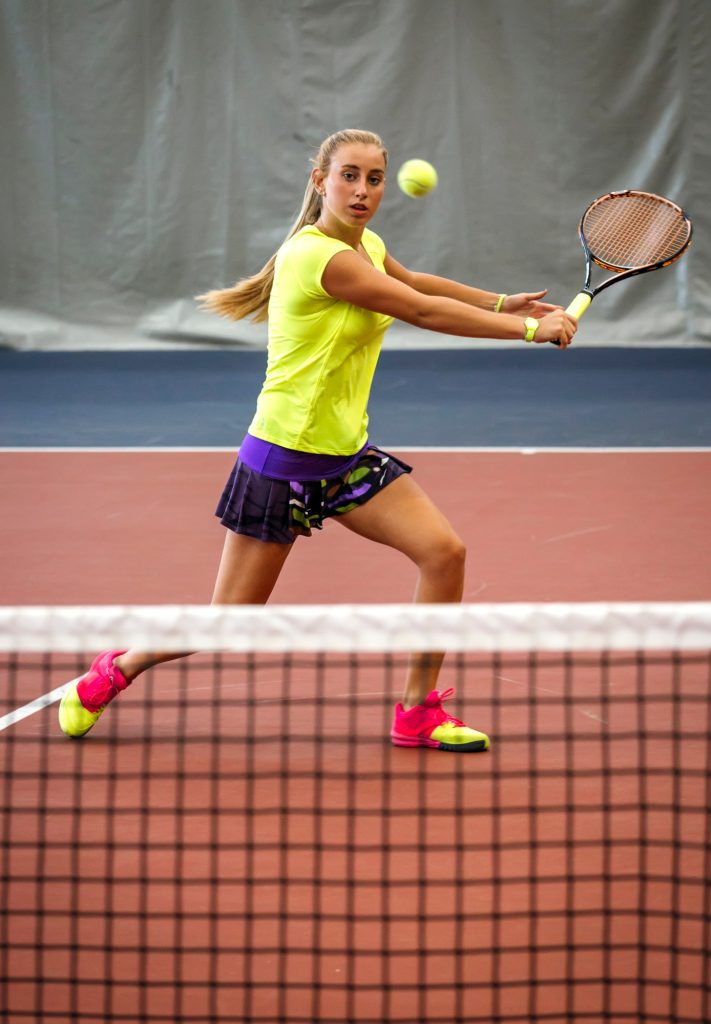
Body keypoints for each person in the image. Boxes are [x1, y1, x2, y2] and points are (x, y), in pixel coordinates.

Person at [59, 128, 577, 751]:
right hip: (283, 462)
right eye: (349, 176)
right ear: (320, 181)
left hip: (345, 457)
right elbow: (421, 312)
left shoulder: (366, 246)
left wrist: (500, 300)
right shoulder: (318, 258)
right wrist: (527, 330)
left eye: (375, 179)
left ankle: (416, 713)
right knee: (228, 623)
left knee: (445, 554)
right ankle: (118, 668)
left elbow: (418, 284)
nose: (362, 191)